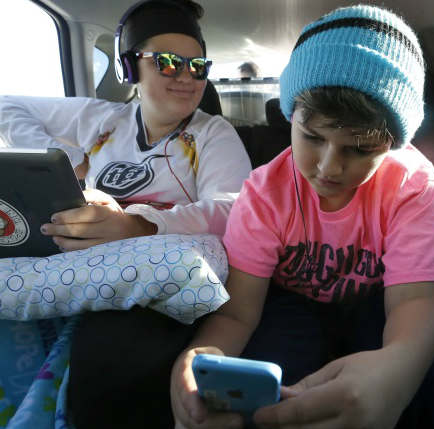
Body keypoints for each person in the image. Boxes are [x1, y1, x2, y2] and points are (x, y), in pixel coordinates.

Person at [171, 5, 434, 429]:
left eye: (359, 149)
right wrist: (198, 359)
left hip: (379, 301)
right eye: (313, 137)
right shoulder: (264, 195)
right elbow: (238, 312)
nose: (328, 168)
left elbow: (414, 302)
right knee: (260, 387)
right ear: (291, 118)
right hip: (290, 303)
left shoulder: (412, 185)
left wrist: (397, 372)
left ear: (393, 144)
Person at [0, 0, 251, 250]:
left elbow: (230, 209)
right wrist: (72, 163)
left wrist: (137, 225)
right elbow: (5, 106)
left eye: (198, 66)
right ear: (129, 68)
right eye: (168, 63)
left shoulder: (212, 133)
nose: (186, 77)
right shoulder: (102, 118)